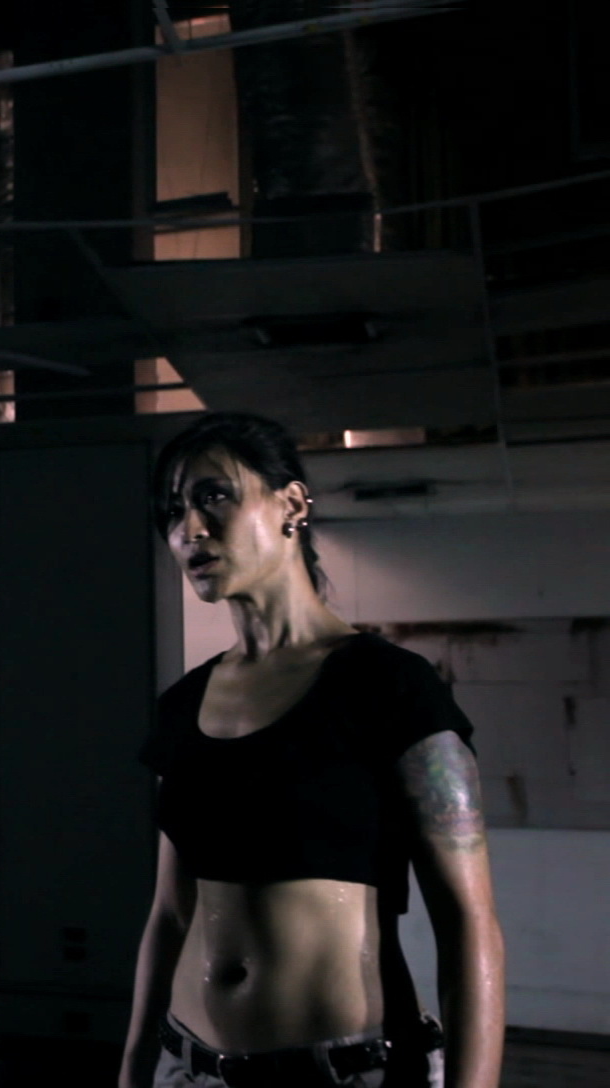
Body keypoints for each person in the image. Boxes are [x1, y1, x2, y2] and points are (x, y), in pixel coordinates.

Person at [121, 413, 505, 1088]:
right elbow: (171, 912)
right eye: (172, 511)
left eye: (213, 496)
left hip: (340, 1070)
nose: (189, 529)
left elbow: (467, 924)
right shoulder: (181, 705)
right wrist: (134, 1066)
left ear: (293, 504)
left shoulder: (390, 686)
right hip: (188, 1069)